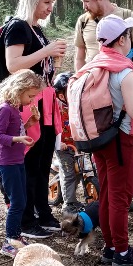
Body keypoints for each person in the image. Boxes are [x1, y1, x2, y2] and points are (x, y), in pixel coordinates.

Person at [83, 13, 133, 266]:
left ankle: (110, 247)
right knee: (120, 197)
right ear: (122, 39)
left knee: (106, 193)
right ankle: (123, 253)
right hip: (121, 139)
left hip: (98, 139)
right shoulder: (123, 70)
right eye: (127, 35)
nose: (129, 39)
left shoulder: (95, 65)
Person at [5, 0, 65, 239]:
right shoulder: (18, 27)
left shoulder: (38, 30)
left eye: (52, 3)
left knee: (43, 162)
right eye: (46, 2)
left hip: (47, 102)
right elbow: (13, 65)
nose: (50, 8)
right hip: (29, 105)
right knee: (29, 162)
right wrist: (46, 51)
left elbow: (45, 71)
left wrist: (55, 58)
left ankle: (43, 211)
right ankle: (26, 219)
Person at [0, 70, 42, 258]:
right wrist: (19, 138)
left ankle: (16, 236)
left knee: (22, 199)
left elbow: (16, 130)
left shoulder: (15, 110)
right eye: (30, 96)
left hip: (18, 161)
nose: (31, 100)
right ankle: (9, 241)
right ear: (18, 90)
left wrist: (29, 124)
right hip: (7, 163)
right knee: (17, 202)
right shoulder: (5, 109)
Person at [53, 73, 82, 213]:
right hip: (63, 147)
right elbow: (54, 128)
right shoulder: (57, 109)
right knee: (69, 174)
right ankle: (68, 204)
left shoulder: (78, 106)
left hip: (77, 145)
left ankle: (73, 199)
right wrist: (59, 143)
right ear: (62, 96)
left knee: (79, 172)